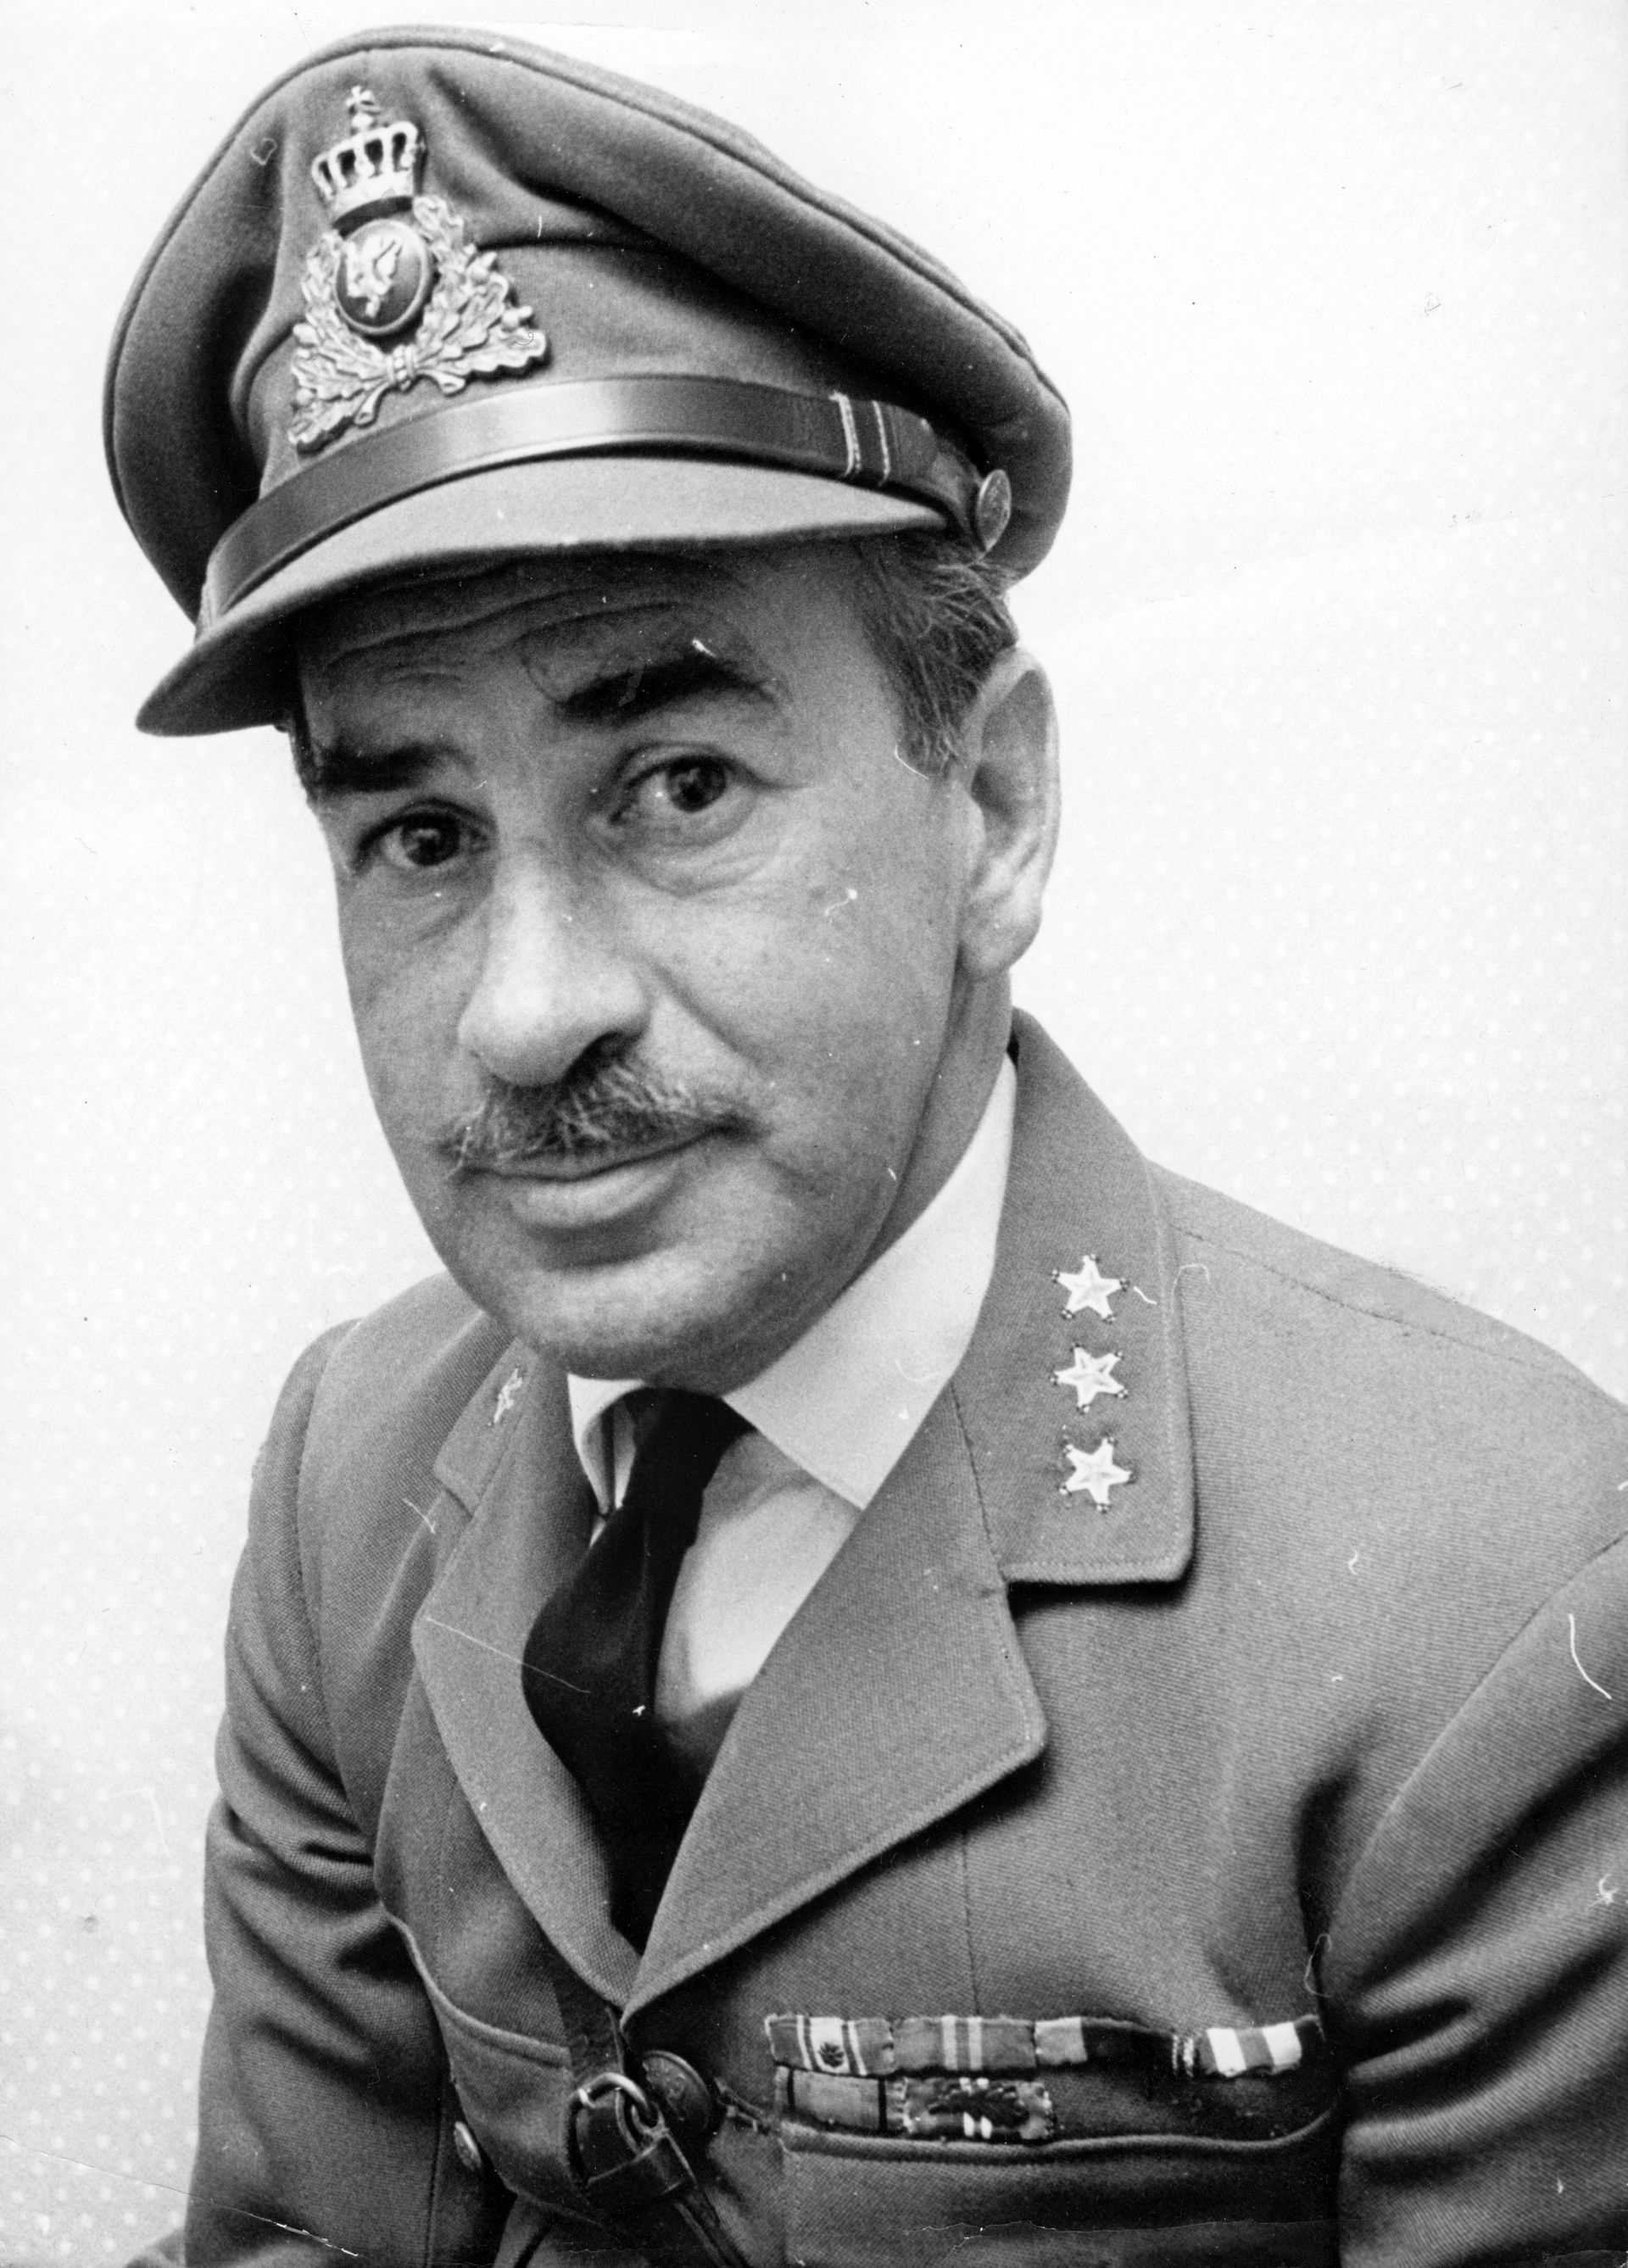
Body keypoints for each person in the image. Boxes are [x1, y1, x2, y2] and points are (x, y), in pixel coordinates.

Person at [108, 25, 1628, 2267]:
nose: (526, 1012)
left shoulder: (1496, 1602)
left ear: (990, 808)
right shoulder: (352, 1472)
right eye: (419, 832)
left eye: (678, 787)